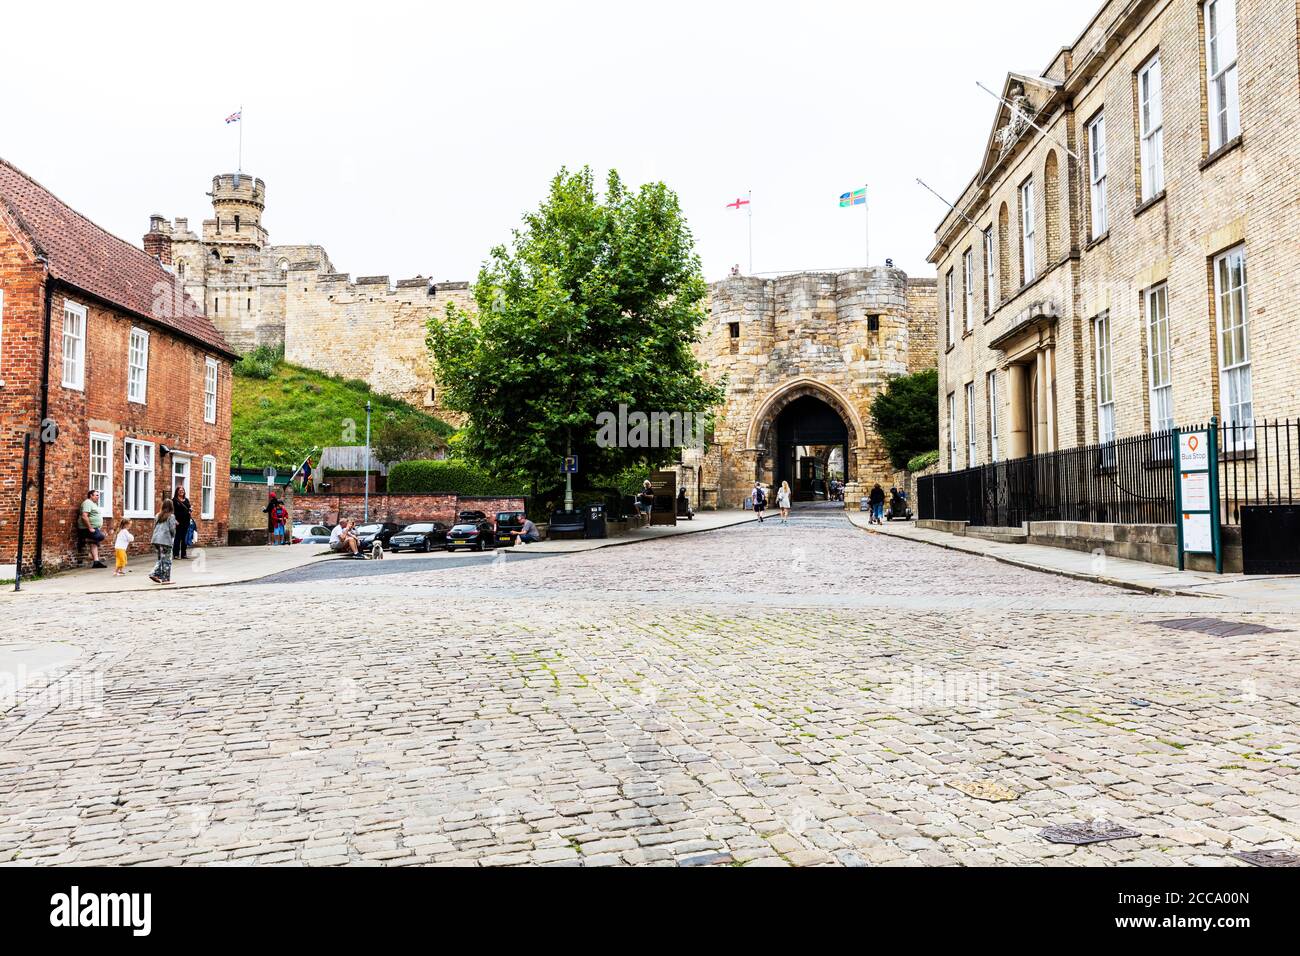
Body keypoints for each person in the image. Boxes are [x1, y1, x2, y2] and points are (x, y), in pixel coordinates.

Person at [149, 500, 177, 584]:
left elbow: (154, 527)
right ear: (171, 507)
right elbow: (172, 529)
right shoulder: (171, 516)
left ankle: (157, 574)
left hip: (156, 540)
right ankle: (164, 578)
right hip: (165, 540)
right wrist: (173, 536)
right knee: (167, 560)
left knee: (161, 558)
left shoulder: (157, 515)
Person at [79, 489, 107, 568]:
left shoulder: (93, 504)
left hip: (95, 528)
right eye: (96, 495)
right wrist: (90, 528)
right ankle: (87, 539)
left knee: (94, 543)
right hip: (87, 528)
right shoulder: (87, 503)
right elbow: (84, 516)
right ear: (91, 495)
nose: (98, 497)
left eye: (98, 495)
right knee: (100, 536)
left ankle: (96, 562)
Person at [172, 485, 192, 560]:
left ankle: (184, 554)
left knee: (184, 538)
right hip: (178, 522)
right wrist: (175, 520)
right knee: (177, 538)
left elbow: (189, 508)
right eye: (180, 490)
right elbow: (172, 512)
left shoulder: (186, 500)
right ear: (177, 492)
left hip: (186, 521)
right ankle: (176, 554)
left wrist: (190, 511)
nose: (181, 492)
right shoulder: (174, 500)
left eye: (182, 490)